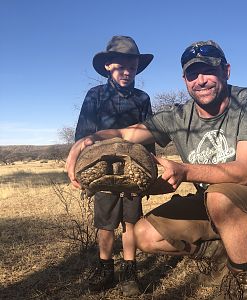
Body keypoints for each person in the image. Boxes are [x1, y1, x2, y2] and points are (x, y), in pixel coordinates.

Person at [67, 40, 247, 299]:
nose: (201, 80)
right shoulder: (178, 116)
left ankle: (246, 288)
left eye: (208, 71)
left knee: (220, 196)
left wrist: (183, 171)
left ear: (226, 71)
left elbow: (245, 173)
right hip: (212, 201)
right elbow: (130, 133)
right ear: (185, 80)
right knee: (142, 234)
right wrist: (92, 139)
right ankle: (226, 253)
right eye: (193, 74)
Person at [74, 35, 155, 296]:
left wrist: (149, 174)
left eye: (131, 67)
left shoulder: (143, 98)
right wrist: (80, 168)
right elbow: (83, 137)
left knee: (132, 223)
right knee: (105, 223)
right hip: (102, 170)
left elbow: (149, 135)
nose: (127, 72)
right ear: (108, 65)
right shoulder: (95, 96)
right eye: (121, 66)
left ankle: (130, 272)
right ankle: (106, 269)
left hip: (133, 170)